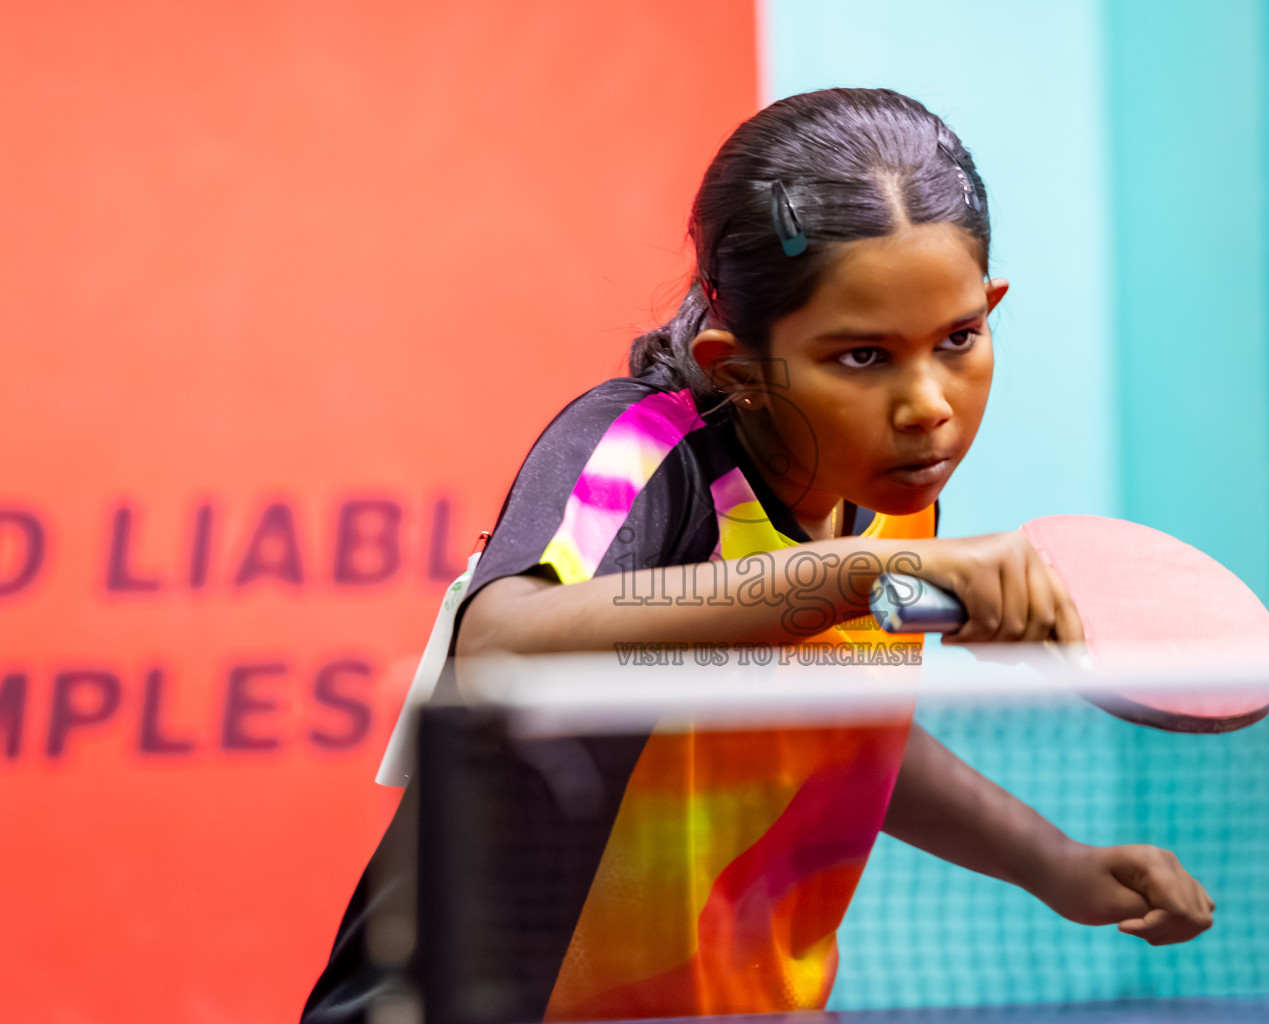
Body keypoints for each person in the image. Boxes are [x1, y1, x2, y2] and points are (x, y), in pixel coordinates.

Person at [302, 87, 1213, 1024]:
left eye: (958, 340)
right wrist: (856, 580)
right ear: (738, 365)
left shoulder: (893, 497)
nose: (928, 403)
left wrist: (1052, 863)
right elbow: (502, 643)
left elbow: (835, 727)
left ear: (992, 307)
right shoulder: (647, 454)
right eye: (863, 357)